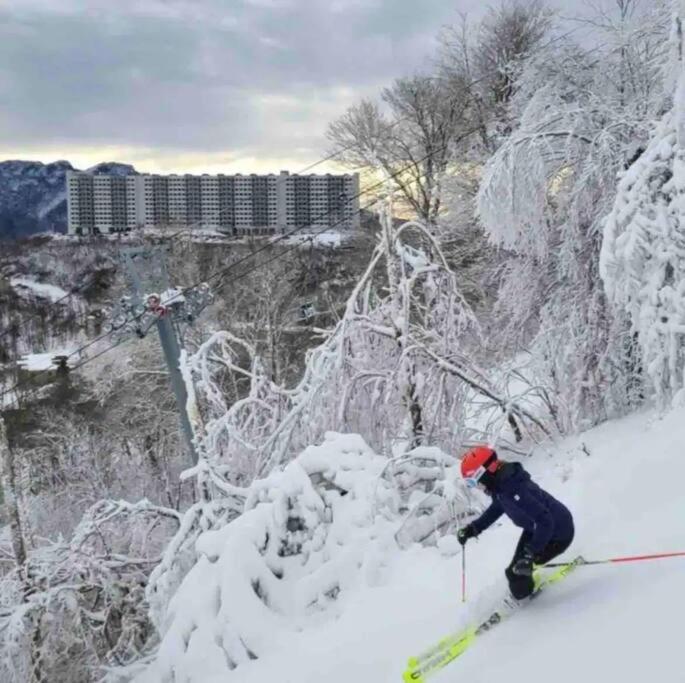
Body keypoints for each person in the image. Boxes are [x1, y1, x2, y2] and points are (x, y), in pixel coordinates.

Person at [456, 445, 574, 600]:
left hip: (557, 533)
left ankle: (524, 598)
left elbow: (546, 521)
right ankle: (524, 587)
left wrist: (529, 553)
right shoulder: (500, 486)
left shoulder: (514, 488)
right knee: (513, 571)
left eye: (474, 482)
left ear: (484, 473)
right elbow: (497, 508)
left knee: (516, 574)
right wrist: (473, 529)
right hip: (535, 528)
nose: (477, 487)